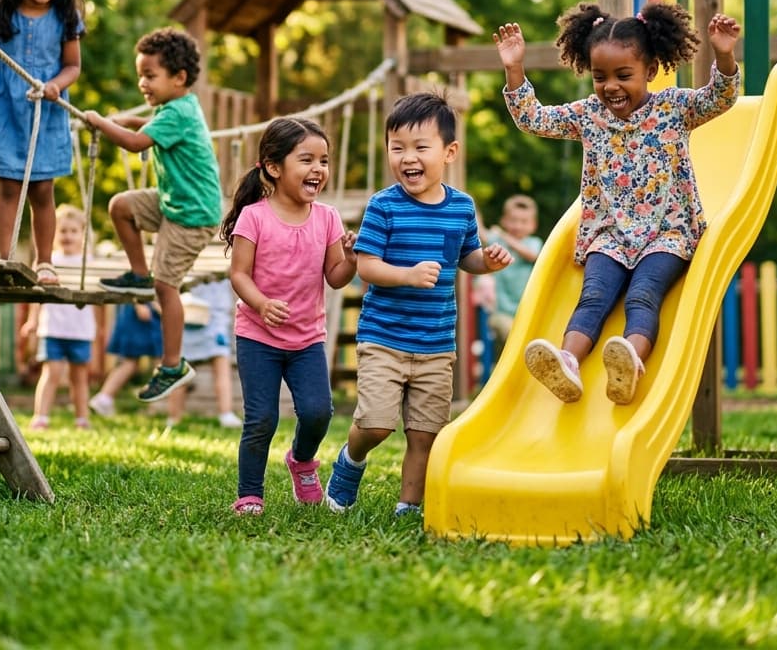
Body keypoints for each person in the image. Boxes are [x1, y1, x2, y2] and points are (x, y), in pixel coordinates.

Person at [493, 0, 740, 405]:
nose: (611, 86)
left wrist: (725, 55)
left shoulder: (673, 108)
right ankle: (568, 363)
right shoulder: (589, 115)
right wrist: (514, 69)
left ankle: (630, 361)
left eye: (623, 75)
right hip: (609, 235)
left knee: (643, 294)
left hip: (668, 232)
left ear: (651, 71)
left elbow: (720, 98)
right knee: (592, 297)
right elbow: (533, 119)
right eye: (600, 77)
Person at [325, 92, 512, 517]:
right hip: (384, 337)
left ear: (449, 152)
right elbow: (368, 267)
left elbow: (466, 257)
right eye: (397, 147)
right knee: (375, 423)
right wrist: (407, 275)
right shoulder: (383, 206)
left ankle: (407, 507)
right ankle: (350, 462)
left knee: (425, 433)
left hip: (435, 342)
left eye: (420, 147)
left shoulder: (462, 207)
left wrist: (488, 261)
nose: (407, 157)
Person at [222, 117, 358, 516]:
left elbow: (336, 278)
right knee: (260, 418)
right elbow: (239, 275)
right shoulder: (255, 217)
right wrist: (261, 304)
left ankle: (301, 460)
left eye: (324, 160)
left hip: (307, 338)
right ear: (273, 167)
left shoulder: (328, 217)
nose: (318, 169)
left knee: (318, 412)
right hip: (257, 336)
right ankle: (251, 494)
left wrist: (349, 260)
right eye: (307, 160)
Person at [83, 27, 222, 403]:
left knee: (167, 286)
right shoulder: (173, 107)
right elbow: (145, 130)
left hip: (193, 214)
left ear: (179, 78)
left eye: (150, 75)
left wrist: (100, 122)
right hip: (173, 200)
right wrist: (128, 121)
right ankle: (138, 274)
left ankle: (173, 364)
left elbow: (134, 144)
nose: (142, 83)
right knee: (121, 206)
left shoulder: (177, 111)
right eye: (140, 74)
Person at [0, 0, 85, 281]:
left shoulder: (67, 17)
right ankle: (5, 256)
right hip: (6, 110)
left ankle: (45, 261)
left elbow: (73, 66)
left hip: (46, 112)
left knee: (42, 188)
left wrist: (55, 85)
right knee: (7, 184)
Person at [21, 205, 97, 430]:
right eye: (63, 231)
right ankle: (41, 416)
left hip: (80, 328)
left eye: (73, 231)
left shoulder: (88, 262)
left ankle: (82, 418)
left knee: (79, 376)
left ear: (82, 234)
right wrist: (33, 320)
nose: (68, 236)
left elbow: (97, 297)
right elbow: (39, 295)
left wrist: (100, 327)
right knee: (51, 372)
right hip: (52, 327)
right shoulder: (49, 262)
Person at [165, 279, 242, 429]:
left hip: (216, 315)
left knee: (221, 364)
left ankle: (226, 413)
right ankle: (174, 417)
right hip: (188, 314)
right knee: (181, 370)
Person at [486, 195, 542, 357]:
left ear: (533, 225)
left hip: (526, 311)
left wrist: (504, 236)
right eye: (513, 220)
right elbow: (480, 231)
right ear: (504, 221)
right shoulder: (496, 241)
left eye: (524, 221)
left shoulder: (533, 242)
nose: (518, 225)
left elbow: (532, 255)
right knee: (510, 335)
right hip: (501, 311)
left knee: (528, 340)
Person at [87, 300, 163, 416]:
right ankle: (104, 399)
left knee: (136, 361)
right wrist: (140, 304)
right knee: (145, 359)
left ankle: (104, 399)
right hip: (141, 307)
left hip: (143, 306)